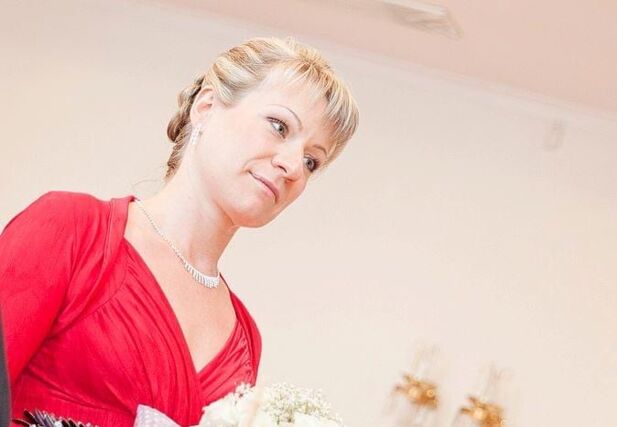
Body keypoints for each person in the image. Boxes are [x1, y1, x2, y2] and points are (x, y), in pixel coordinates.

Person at [0, 36, 359, 426]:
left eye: (311, 161)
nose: (292, 166)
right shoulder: (72, 229)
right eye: (279, 126)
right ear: (206, 106)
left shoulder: (245, 341)